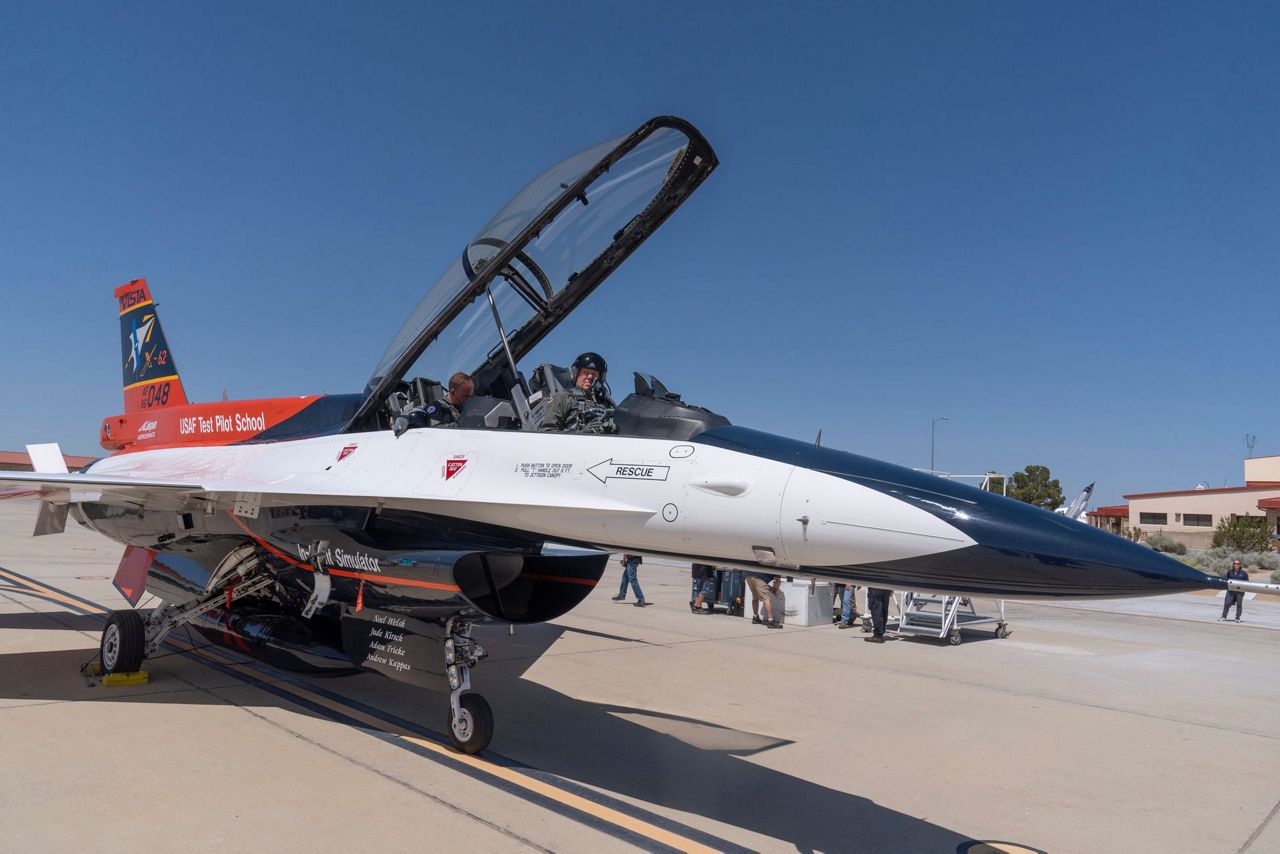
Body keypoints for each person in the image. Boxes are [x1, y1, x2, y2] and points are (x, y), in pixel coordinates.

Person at [539, 352, 617, 434]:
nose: (590, 377)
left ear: (601, 378)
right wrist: (580, 433)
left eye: (594, 374)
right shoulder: (564, 398)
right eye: (586, 372)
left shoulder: (607, 404)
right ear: (576, 374)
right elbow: (546, 432)